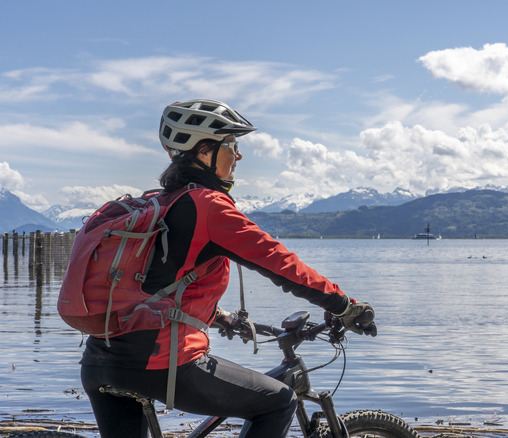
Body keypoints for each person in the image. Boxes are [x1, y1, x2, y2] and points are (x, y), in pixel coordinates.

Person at [80, 99, 377, 438]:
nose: (238, 155)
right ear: (204, 151)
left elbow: (156, 284)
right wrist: (344, 305)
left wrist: (219, 316)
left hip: (100, 360)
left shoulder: (159, 204)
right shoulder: (207, 206)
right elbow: (281, 263)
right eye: (231, 145)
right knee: (280, 401)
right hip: (160, 363)